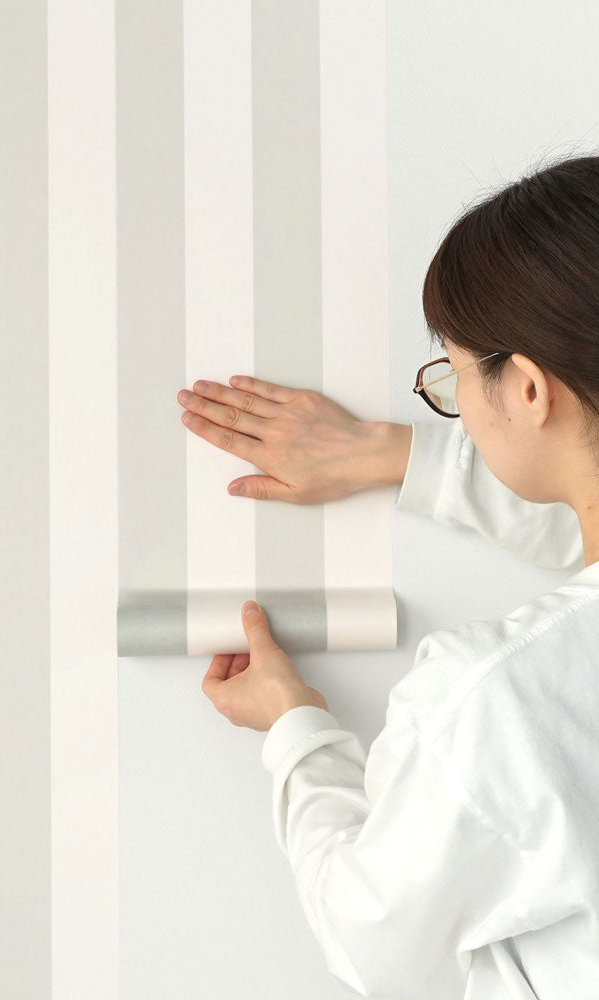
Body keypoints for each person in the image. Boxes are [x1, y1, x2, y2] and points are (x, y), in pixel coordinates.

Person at [176, 152, 599, 998]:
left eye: (454, 376)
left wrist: (296, 730)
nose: (458, 405)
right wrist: (391, 454)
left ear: (526, 389)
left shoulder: (497, 704)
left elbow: (377, 946)